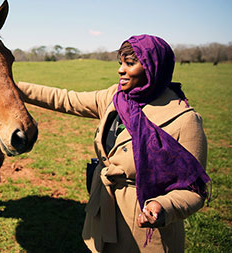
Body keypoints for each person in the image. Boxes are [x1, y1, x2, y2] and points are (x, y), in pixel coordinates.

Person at [17, 35, 211, 252]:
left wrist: (163, 206)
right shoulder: (116, 97)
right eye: (121, 63)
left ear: (152, 67)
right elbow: (65, 99)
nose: (121, 70)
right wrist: (8, 86)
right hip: (103, 217)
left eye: (130, 63)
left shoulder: (184, 120)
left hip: (145, 232)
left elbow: (194, 189)